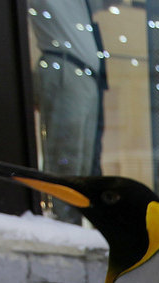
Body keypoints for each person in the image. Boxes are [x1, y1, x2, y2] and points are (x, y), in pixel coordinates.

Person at [29, 0, 107, 224]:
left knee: (81, 166)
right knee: (65, 158)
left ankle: (70, 225)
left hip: (84, 73)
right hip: (64, 65)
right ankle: (63, 226)